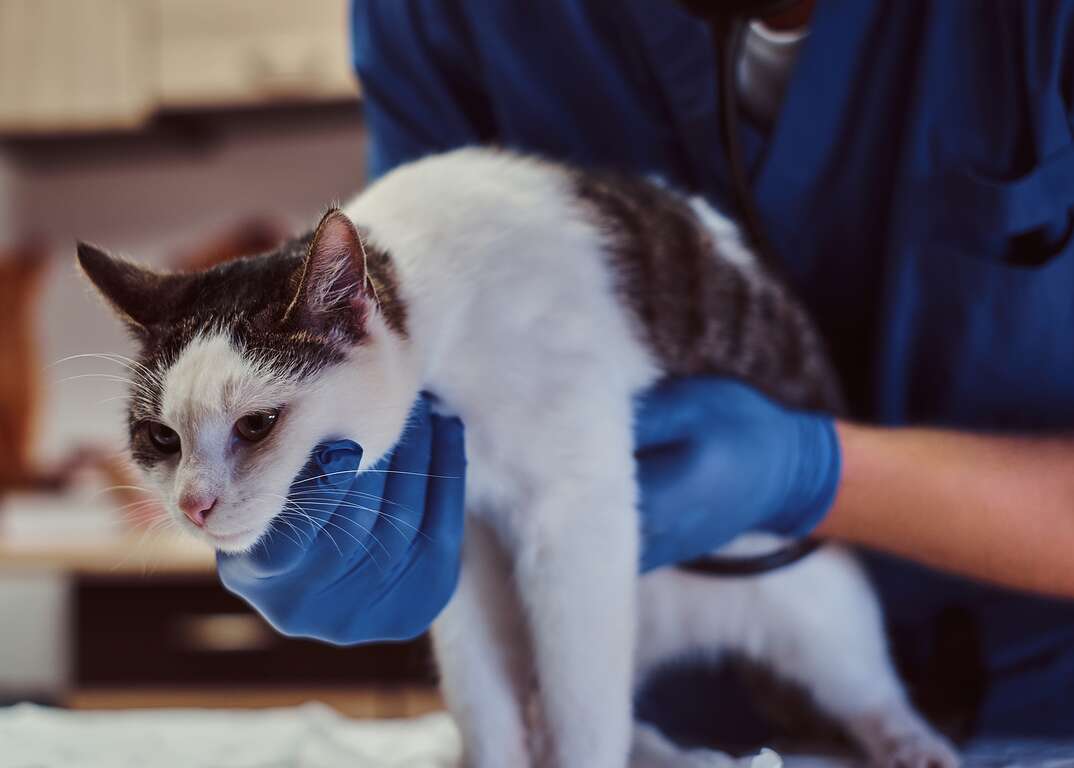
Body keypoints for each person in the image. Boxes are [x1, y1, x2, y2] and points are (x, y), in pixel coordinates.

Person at [220, 0, 1074, 741]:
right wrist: (363, 510)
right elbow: (417, 362)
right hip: (670, 710)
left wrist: (809, 470)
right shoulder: (446, 16)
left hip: (1045, 703)